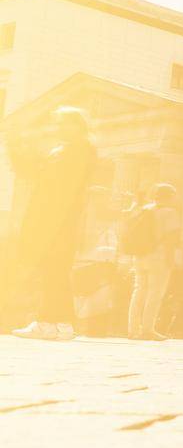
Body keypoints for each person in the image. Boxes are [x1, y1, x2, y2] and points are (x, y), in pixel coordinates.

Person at [10, 107, 98, 340]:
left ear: (77, 126)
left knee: (55, 268)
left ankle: (53, 323)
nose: (57, 128)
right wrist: (14, 144)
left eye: (62, 123)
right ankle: (57, 323)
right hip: (50, 218)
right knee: (52, 270)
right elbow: (30, 171)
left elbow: (64, 187)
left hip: (59, 220)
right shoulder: (61, 151)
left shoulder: (80, 150)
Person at [124, 183, 181, 340]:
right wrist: (171, 259)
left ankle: (133, 329)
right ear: (170, 196)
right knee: (155, 293)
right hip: (159, 256)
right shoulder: (170, 212)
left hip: (140, 255)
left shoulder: (145, 209)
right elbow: (170, 238)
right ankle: (148, 329)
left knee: (139, 290)